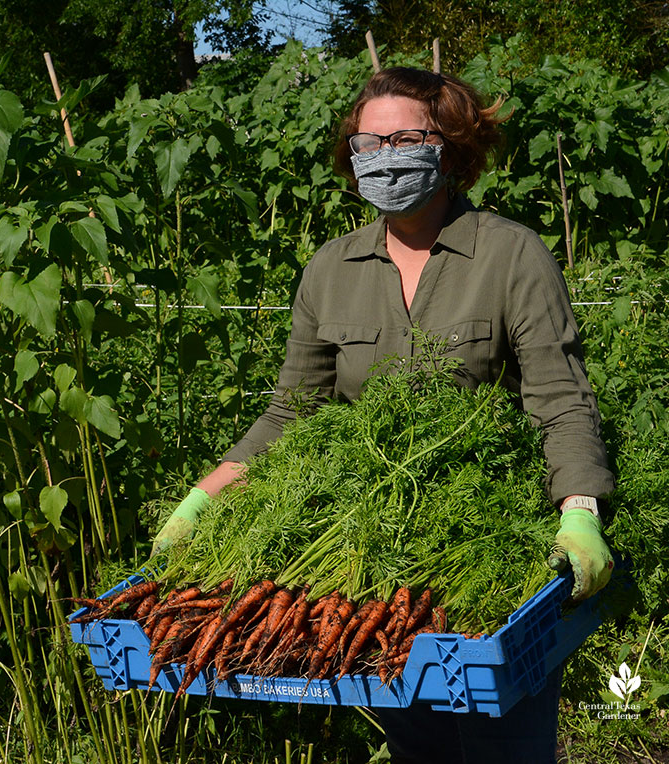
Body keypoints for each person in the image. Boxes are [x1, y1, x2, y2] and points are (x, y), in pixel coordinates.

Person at [151, 67, 615, 763]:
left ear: (450, 145)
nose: (385, 155)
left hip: (489, 533)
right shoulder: (331, 269)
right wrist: (202, 497)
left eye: (406, 137)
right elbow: (292, 411)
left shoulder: (510, 254)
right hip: (374, 556)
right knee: (418, 746)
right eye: (369, 142)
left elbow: (561, 399)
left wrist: (579, 508)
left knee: (503, 745)